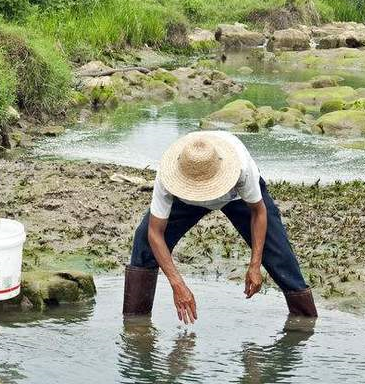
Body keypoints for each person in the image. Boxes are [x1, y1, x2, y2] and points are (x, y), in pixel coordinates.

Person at [123, 130, 317, 322]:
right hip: (185, 200)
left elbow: (259, 212)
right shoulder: (169, 175)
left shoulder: (240, 167)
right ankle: (135, 323)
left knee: (278, 252)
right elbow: (155, 232)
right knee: (144, 242)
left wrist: (255, 265)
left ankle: (305, 320)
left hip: (236, 197)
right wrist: (177, 284)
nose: (204, 194)